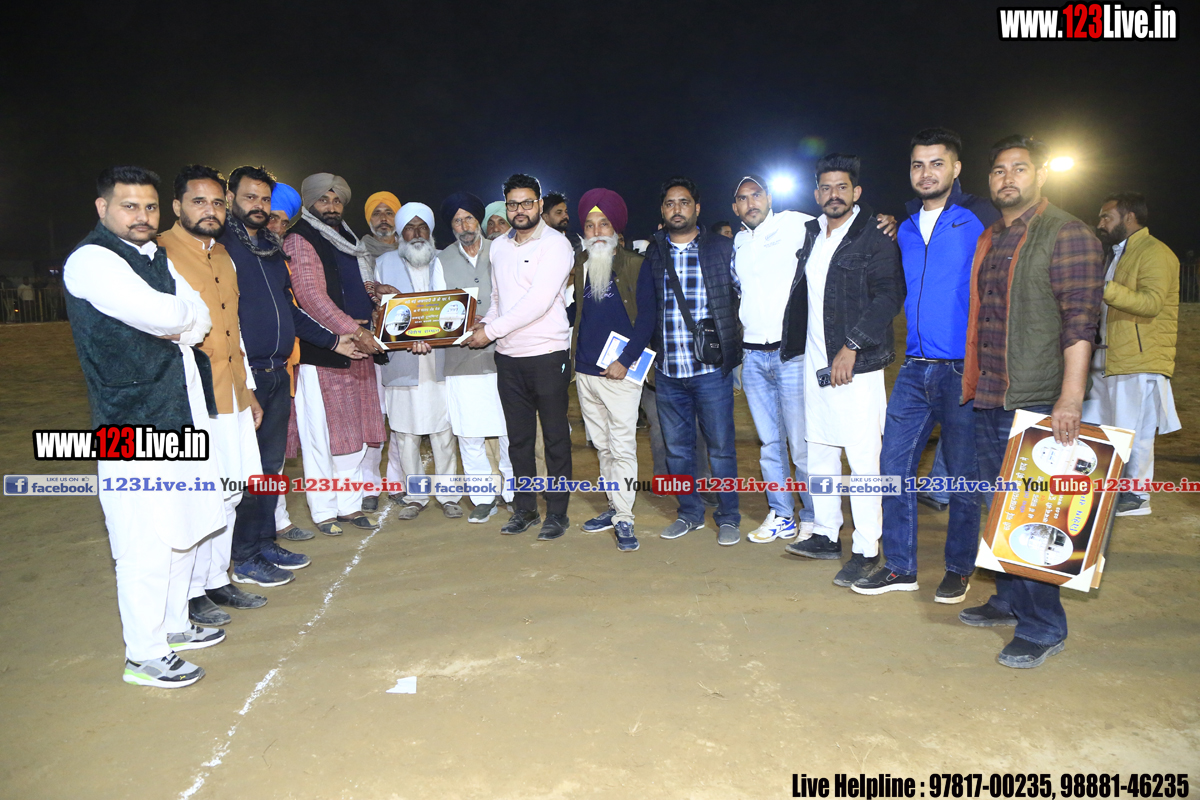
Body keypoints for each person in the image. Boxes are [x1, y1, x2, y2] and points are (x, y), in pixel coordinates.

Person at [64, 165, 226, 687]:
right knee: (143, 542)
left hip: (178, 413)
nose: (142, 216)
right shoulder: (91, 260)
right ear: (103, 208)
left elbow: (198, 317)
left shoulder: (155, 255)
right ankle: (144, 654)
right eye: (129, 206)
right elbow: (166, 316)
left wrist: (178, 320)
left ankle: (174, 626)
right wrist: (177, 320)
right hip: (128, 424)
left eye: (150, 207)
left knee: (182, 528)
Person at [958, 134, 1104, 669]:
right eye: (999, 170)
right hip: (991, 394)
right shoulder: (993, 236)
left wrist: (1070, 398)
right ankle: (1008, 599)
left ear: (1040, 176)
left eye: (1019, 169)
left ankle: (1044, 626)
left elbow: (1080, 321)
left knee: (1037, 516)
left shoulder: (1067, 233)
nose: (1007, 179)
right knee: (999, 508)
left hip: (1038, 399)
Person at [852, 128, 999, 603]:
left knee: (962, 477)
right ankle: (900, 567)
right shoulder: (906, 227)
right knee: (891, 467)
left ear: (956, 168)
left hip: (963, 369)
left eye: (937, 163)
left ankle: (958, 568)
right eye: (918, 164)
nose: (926, 172)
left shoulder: (981, 216)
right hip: (914, 369)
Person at [224, 165, 366, 590]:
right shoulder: (223, 250)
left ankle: (263, 543)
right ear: (231, 199)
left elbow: (290, 311)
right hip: (244, 375)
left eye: (264, 199)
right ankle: (243, 556)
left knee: (269, 466)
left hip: (276, 370)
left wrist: (334, 340)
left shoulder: (270, 249)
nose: (259, 207)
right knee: (245, 470)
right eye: (250, 197)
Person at [784, 154, 905, 590]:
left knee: (863, 458)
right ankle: (825, 533)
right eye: (826, 187)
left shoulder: (875, 236)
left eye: (842, 187)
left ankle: (867, 548)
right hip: (815, 364)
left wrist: (852, 345)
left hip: (857, 365)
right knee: (819, 450)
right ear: (816, 193)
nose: (833, 195)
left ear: (856, 192)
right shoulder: (811, 232)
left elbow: (889, 296)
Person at [157, 165, 271, 625]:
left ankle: (215, 579)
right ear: (177, 206)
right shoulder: (159, 254)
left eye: (218, 203)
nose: (210, 210)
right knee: (198, 498)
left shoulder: (223, 255)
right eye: (199, 202)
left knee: (231, 492)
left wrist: (250, 391)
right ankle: (187, 594)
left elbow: (233, 329)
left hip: (233, 393)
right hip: (191, 399)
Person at [463, 173, 575, 540]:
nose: (520, 210)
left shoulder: (556, 245)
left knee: (555, 438)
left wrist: (490, 331)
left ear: (540, 204)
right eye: (513, 204)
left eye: (528, 203)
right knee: (519, 440)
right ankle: (525, 509)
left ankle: (557, 513)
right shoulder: (498, 246)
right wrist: (484, 324)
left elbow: (538, 302)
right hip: (508, 357)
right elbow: (499, 299)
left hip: (547, 354)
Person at [284, 172, 387, 535]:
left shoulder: (348, 238)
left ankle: (350, 504)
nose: (331, 206)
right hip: (325, 351)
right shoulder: (300, 238)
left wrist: (375, 296)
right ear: (309, 202)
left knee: (353, 433)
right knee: (322, 436)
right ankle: (324, 510)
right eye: (323, 200)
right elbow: (310, 296)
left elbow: (353, 285)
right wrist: (354, 330)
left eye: (337, 200)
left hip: (358, 349)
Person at [644, 176, 743, 546]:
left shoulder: (722, 248)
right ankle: (689, 513)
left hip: (710, 370)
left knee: (721, 448)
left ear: (697, 208)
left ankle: (729, 517)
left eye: (684, 202)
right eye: (670, 203)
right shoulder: (655, 252)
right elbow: (647, 306)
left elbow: (742, 295)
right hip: (669, 372)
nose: (677, 209)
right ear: (662, 210)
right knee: (677, 450)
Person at [730, 174, 816, 545]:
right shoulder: (738, 242)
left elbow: (840, 225)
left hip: (791, 353)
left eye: (756, 195)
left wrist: (880, 221)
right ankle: (782, 514)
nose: (751, 203)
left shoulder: (796, 223)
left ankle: (813, 517)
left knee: (802, 444)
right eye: (743, 198)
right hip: (752, 356)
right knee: (769, 444)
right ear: (735, 208)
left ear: (769, 198)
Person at [1082, 192, 1180, 516]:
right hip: (1108, 357)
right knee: (1103, 427)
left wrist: (1103, 286)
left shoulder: (1155, 252)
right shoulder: (1115, 253)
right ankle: (1111, 488)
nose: (1101, 223)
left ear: (1129, 217)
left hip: (1139, 359)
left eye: (1106, 217)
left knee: (1133, 431)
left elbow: (1151, 303)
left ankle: (1136, 495)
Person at [570, 189, 654, 552]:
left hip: (621, 372)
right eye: (590, 225)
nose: (596, 231)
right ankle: (613, 504)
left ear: (617, 229)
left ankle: (624, 517)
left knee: (622, 448)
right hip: (586, 373)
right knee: (602, 446)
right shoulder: (580, 264)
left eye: (603, 223)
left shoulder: (636, 264)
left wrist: (626, 359)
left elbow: (647, 318)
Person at [374, 202, 463, 519]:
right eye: (409, 228)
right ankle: (415, 496)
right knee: (405, 433)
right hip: (402, 361)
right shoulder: (383, 263)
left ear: (430, 231)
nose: (416, 234)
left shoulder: (445, 259)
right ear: (400, 233)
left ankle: (449, 495)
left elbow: (454, 307)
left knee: (443, 431)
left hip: (440, 359)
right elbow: (379, 313)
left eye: (422, 227)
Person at [436, 191, 515, 521]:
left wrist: (491, 321)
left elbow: (516, 296)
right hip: (460, 358)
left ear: (478, 221)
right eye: (457, 221)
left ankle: (514, 493)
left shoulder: (501, 250)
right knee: (469, 433)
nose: (464, 225)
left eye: (469, 218)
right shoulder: (441, 260)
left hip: (504, 354)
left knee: (509, 430)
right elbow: (437, 308)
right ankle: (483, 497)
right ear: (451, 226)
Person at [360, 190, 401, 295]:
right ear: (369, 219)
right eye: (376, 214)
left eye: (389, 213)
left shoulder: (408, 250)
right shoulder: (359, 252)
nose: (383, 219)